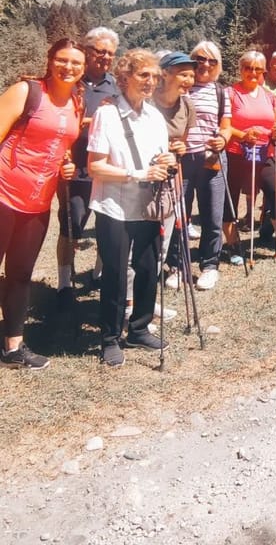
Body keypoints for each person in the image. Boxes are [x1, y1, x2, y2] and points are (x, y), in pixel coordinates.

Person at [87, 49, 176, 367]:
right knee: (114, 273)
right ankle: (110, 338)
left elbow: (161, 159)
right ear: (124, 78)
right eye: (143, 75)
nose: (151, 81)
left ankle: (139, 329)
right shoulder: (106, 114)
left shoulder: (155, 117)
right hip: (114, 207)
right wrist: (138, 174)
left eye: (155, 76)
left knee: (149, 268)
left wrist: (169, 160)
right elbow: (95, 166)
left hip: (148, 208)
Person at [0, 39, 85, 369]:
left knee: (20, 275)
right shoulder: (26, 91)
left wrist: (67, 166)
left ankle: (12, 349)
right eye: (62, 60)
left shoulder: (77, 103)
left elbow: (61, 145)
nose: (68, 67)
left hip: (37, 203)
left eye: (75, 63)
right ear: (50, 61)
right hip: (3, 193)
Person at [55, 27, 119, 304]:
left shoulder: (115, 86)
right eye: (99, 51)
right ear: (87, 51)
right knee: (71, 223)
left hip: (104, 167)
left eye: (110, 53)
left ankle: (98, 273)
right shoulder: (72, 81)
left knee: (107, 224)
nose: (105, 57)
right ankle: (64, 282)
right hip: (74, 166)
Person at [223, 50, 276, 262]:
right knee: (230, 199)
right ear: (241, 69)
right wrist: (243, 135)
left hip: (264, 151)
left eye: (257, 69)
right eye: (248, 68)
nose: (253, 72)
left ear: (263, 72)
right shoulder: (230, 93)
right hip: (236, 152)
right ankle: (233, 245)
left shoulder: (270, 96)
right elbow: (224, 126)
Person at [177, 41, 232, 290]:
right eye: (200, 58)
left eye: (212, 61)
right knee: (180, 214)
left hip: (212, 158)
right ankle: (177, 265)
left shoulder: (221, 91)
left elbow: (226, 124)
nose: (205, 65)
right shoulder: (180, 88)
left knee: (212, 214)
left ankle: (209, 266)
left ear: (218, 65)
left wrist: (223, 138)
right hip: (183, 159)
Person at [151, 51, 197, 318]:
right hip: (145, 177)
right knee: (141, 242)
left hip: (172, 177)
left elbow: (184, 141)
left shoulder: (188, 106)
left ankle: (149, 295)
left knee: (165, 239)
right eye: (183, 73)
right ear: (165, 73)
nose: (189, 79)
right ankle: (130, 300)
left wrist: (179, 148)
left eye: (191, 74)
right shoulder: (147, 101)